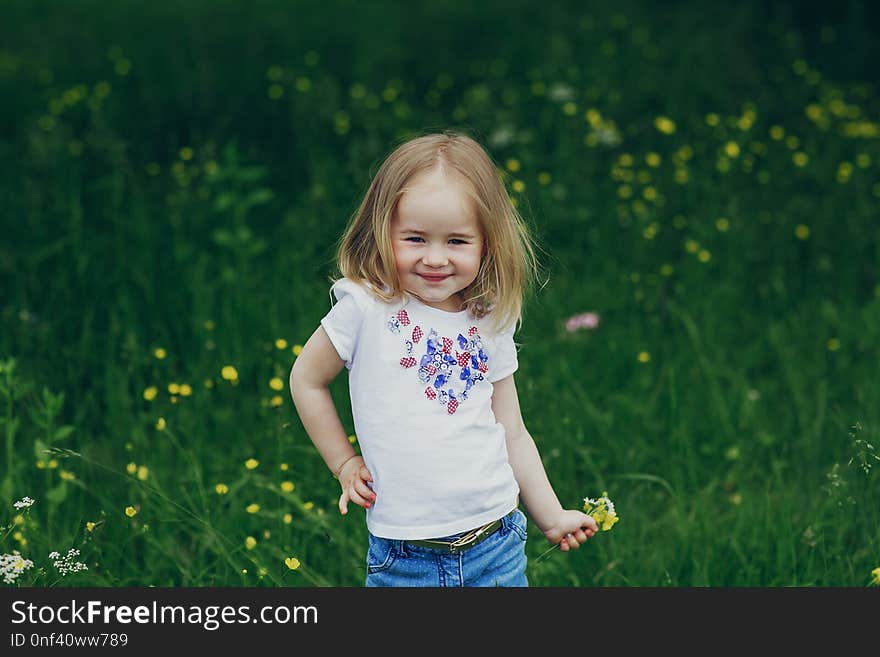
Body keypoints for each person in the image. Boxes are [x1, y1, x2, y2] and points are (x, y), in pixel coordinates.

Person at [289, 130, 597, 587]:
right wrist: (344, 463)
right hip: (405, 558)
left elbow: (511, 430)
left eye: (456, 241)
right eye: (415, 238)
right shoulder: (366, 308)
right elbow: (306, 380)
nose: (435, 258)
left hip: (497, 544)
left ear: (486, 243)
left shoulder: (487, 319)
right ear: (383, 233)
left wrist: (550, 516)